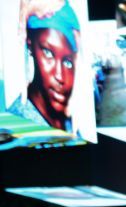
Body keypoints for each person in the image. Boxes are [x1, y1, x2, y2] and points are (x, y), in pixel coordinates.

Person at [9, 0, 82, 134]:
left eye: (68, 62)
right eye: (48, 53)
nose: (60, 76)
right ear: (30, 45)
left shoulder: (69, 124)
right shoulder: (15, 125)